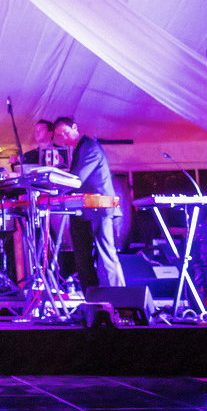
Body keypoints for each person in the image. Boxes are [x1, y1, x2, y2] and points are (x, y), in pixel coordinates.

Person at [53, 117, 126, 288]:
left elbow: (77, 179)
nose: (63, 137)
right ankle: (93, 300)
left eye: (65, 132)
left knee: (105, 254)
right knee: (82, 257)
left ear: (75, 128)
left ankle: (121, 299)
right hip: (84, 209)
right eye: (59, 135)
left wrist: (52, 186)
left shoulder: (90, 147)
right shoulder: (79, 149)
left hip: (99, 208)